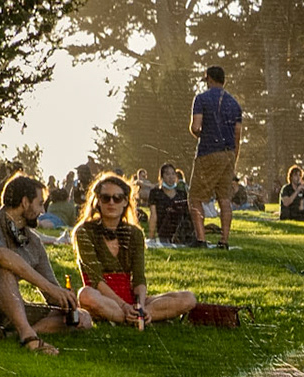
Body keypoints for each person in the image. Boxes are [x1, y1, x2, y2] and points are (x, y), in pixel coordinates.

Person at [0, 173, 94, 354]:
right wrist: (49, 288)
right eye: (39, 203)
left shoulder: (33, 242)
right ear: (25, 202)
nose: (43, 211)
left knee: (79, 319)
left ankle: (7, 335)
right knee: (3, 270)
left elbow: (52, 292)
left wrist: (70, 305)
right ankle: (29, 338)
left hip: (4, 311)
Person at [73, 172, 198, 327]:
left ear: (125, 201)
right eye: (106, 198)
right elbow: (96, 279)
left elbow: (139, 277)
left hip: (131, 299)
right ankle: (134, 318)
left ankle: (135, 316)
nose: (111, 203)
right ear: (97, 202)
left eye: (117, 198)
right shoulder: (84, 232)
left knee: (188, 298)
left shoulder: (135, 233)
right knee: (85, 294)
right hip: (103, 298)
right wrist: (124, 306)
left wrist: (140, 306)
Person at [189, 64, 244, 247]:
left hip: (208, 152)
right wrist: (233, 157)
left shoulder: (201, 99)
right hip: (228, 154)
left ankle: (201, 239)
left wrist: (201, 133)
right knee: (224, 199)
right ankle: (224, 241)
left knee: (195, 197)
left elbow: (196, 127)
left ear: (210, 79)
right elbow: (238, 135)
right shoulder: (235, 104)